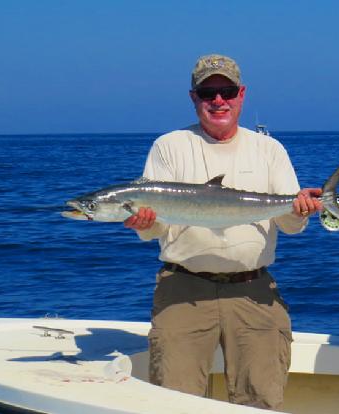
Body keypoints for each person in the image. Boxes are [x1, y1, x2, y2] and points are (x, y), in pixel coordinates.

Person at [123, 54, 322, 410]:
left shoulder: (269, 150)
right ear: (193, 97)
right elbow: (155, 228)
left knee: (259, 401)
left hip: (254, 292)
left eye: (226, 91)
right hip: (182, 290)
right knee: (174, 402)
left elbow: (291, 226)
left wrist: (299, 210)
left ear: (241, 94)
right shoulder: (169, 147)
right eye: (207, 92)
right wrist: (146, 223)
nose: (218, 100)